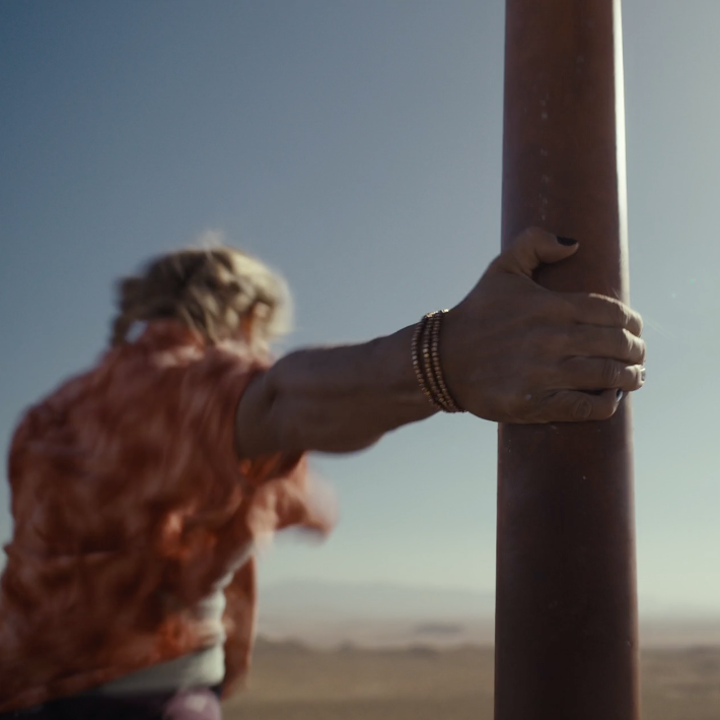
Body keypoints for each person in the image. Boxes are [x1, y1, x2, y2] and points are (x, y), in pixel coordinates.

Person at [0, 227, 645, 719]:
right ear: (244, 318)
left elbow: (152, 506)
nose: (262, 353)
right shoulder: (188, 386)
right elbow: (283, 399)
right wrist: (449, 358)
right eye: (263, 336)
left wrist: (294, 496)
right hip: (141, 697)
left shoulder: (50, 412)